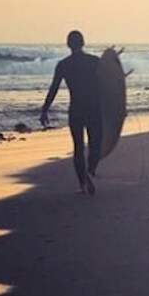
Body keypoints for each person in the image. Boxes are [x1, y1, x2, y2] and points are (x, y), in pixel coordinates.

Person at [40, 30, 102, 195]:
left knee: (78, 147)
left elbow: (53, 88)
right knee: (95, 143)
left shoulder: (63, 64)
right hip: (94, 108)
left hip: (76, 108)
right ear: (83, 43)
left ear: (68, 45)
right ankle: (90, 171)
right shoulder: (95, 62)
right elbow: (108, 85)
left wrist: (44, 110)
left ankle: (82, 183)